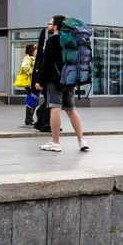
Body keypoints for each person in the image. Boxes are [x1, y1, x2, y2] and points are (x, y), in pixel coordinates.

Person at [34, 14, 89, 152]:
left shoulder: (53, 40)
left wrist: (39, 80)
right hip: (69, 80)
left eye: (50, 24)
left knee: (55, 108)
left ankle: (56, 142)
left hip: (54, 80)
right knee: (71, 110)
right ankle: (81, 140)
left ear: (56, 27)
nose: (48, 26)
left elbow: (46, 62)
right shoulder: (72, 41)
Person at [14, 44, 37, 126]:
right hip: (30, 82)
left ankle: (29, 119)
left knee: (33, 100)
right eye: (35, 49)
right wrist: (32, 71)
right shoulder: (28, 58)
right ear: (32, 50)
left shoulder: (32, 58)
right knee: (32, 100)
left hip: (31, 82)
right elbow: (24, 67)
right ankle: (29, 119)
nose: (36, 51)